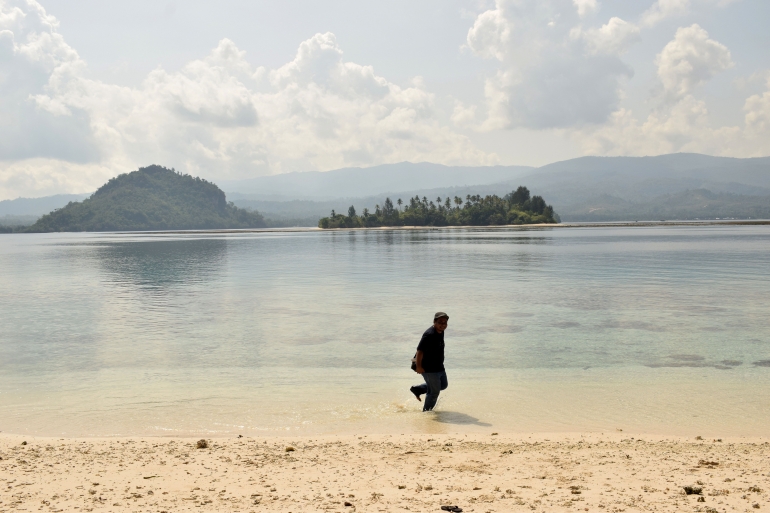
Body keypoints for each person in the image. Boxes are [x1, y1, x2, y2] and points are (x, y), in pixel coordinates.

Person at [410, 312, 449, 411]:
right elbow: (420, 351)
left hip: (439, 366)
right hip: (429, 368)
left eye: (445, 322)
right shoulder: (429, 335)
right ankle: (427, 412)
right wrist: (418, 366)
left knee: (443, 385)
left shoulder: (440, 331)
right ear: (434, 322)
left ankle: (418, 389)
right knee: (434, 392)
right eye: (440, 322)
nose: (442, 324)